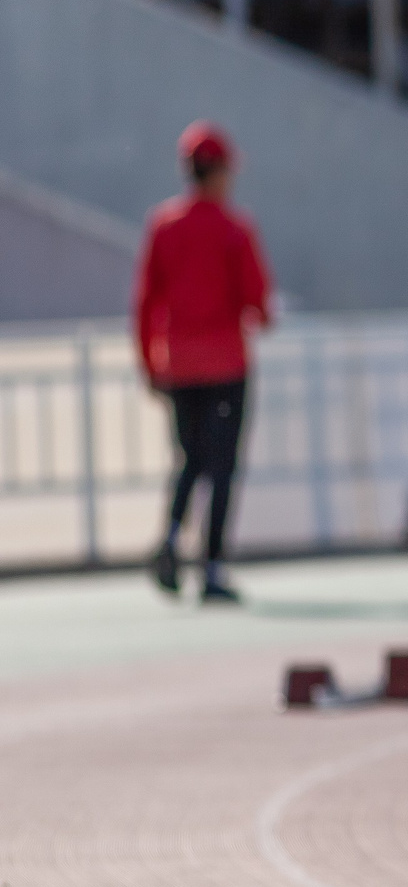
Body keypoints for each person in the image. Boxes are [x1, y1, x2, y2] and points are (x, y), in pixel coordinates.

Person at [133, 121, 272, 605]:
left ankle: (171, 538)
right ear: (220, 172)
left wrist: (148, 363)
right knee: (223, 466)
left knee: (189, 458)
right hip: (226, 363)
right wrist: (262, 315)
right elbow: (257, 299)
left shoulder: (163, 225)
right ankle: (212, 565)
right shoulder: (234, 228)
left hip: (178, 365)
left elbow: (146, 300)